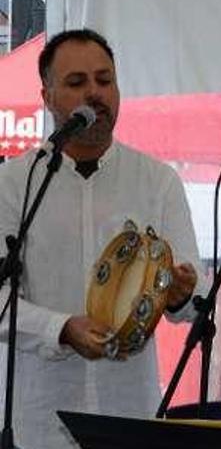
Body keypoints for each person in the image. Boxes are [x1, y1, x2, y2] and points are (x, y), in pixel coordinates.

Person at [0, 29, 204, 448]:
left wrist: (182, 294)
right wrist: (60, 329)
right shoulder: (12, 184)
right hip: (38, 422)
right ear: (47, 97)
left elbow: (193, 299)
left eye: (104, 80)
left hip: (128, 415)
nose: (95, 93)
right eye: (76, 83)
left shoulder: (157, 181)